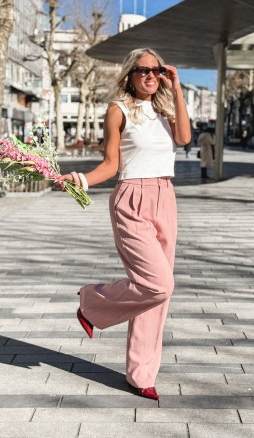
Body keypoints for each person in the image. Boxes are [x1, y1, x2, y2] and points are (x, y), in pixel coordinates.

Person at [56, 48, 191, 400]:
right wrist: (81, 180)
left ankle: (140, 373)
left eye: (156, 70)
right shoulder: (118, 110)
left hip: (166, 196)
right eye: (143, 70)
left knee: (157, 296)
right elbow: (110, 164)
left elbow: (184, 138)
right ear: (129, 74)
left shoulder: (164, 109)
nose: (150, 76)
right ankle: (92, 300)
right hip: (132, 198)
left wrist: (176, 89)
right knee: (158, 284)